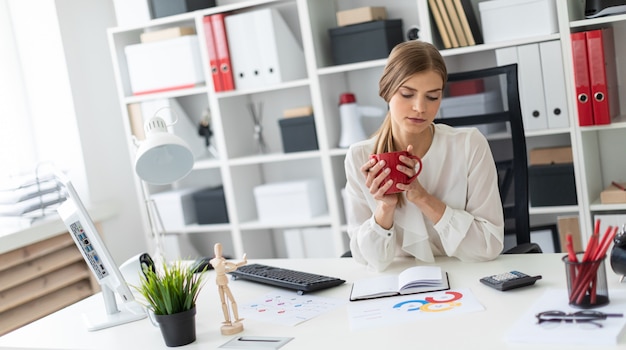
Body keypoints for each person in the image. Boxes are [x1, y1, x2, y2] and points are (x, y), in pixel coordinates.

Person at [344, 40, 504, 272]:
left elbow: (489, 245)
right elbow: (369, 260)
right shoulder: (360, 157)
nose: (420, 107)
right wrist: (385, 208)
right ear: (387, 91)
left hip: (465, 275)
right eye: (408, 94)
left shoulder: (469, 144)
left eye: (432, 97)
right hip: (397, 284)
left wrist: (423, 198)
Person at [210, 243, 247, 335]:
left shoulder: (218, 261)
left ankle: (233, 318)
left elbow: (231, 268)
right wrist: (241, 262)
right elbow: (233, 266)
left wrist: (242, 262)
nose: (218, 251)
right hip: (221, 281)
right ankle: (230, 319)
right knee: (229, 301)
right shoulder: (219, 261)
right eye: (217, 249)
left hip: (221, 279)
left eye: (219, 249)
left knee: (226, 301)